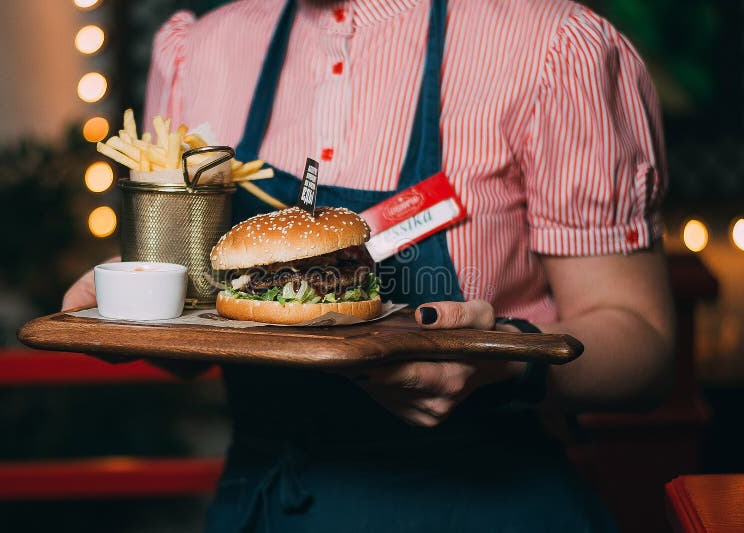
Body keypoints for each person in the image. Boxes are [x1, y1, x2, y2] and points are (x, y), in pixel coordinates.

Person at [64, 0, 675, 530]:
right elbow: (194, 352)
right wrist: (144, 309)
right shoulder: (198, 50)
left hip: (478, 501)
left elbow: (643, 348)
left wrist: (502, 361)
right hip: (267, 502)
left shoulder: (553, 48)